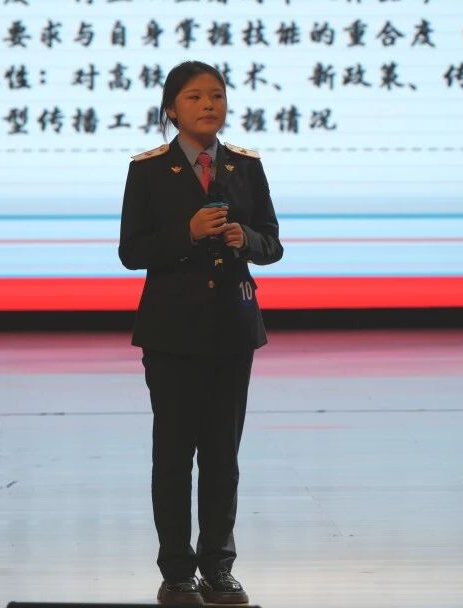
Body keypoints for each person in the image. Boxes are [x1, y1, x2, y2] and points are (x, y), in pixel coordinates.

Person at [118, 60, 283, 605]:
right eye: (194, 97)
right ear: (171, 108)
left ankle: (218, 566)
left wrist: (245, 239)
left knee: (221, 455)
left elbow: (273, 243)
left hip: (233, 329)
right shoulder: (148, 170)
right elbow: (132, 251)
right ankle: (176, 571)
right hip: (171, 331)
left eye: (217, 95)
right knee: (173, 455)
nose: (208, 105)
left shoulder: (245, 166)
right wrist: (187, 233)